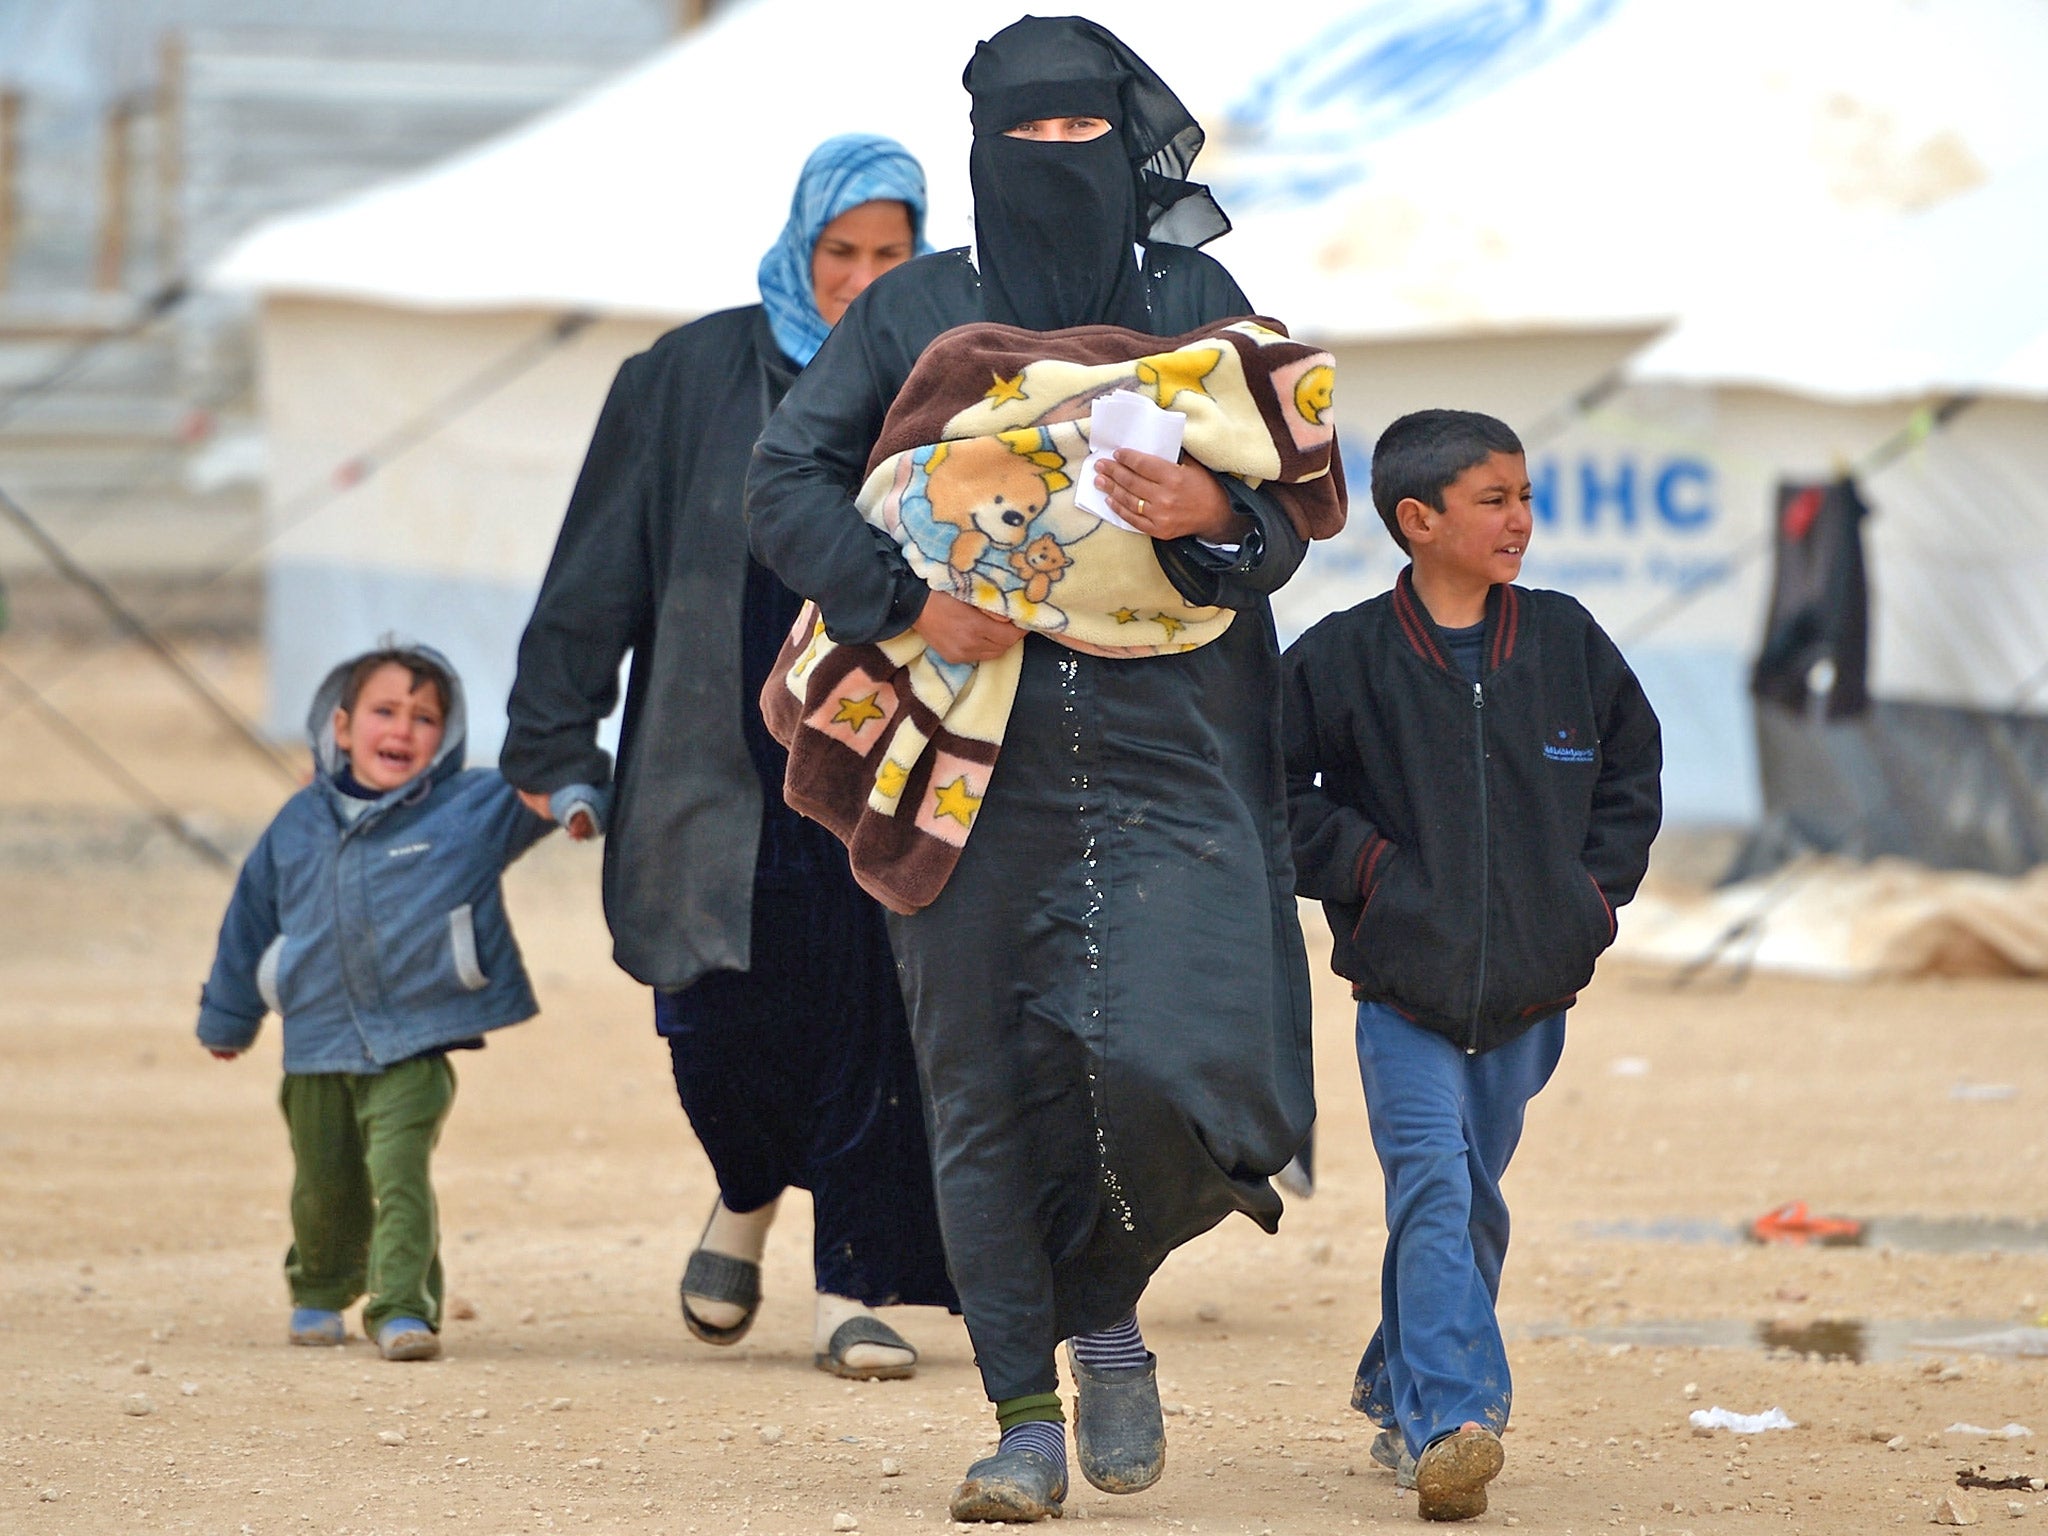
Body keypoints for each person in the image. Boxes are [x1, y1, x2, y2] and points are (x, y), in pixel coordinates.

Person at [747, 19, 1335, 1523]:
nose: (1058, 164)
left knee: (1192, 1062)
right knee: (982, 1085)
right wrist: (900, 597)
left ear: (1127, 141)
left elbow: (1279, 525)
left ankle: (1105, 1299)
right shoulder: (913, 315)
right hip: (970, 763)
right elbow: (784, 481)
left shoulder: (1199, 302)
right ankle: (1020, 1417)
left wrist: (1212, 502)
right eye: (1030, 139)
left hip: (1178, 748)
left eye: (1086, 136)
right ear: (978, 150)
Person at [500, 134, 956, 1380]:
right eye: (840, 253)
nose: (860, 280)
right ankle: (746, 1188)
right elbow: (599, 566)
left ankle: (853, 1286)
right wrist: (555, 733)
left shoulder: (963, 379)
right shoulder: (688, 372)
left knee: (878, 1020)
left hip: (886, 754)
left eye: (889, 256)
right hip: (714, 744)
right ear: (799, 247)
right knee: (715, 1031)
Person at [1281, 410, 1663, 1521]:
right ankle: (1453, 1419)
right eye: (1493, 500)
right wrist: (1367, 867)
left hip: (1531, 994)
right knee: (1435, 1190)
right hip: (1402, 989)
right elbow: (1269, 790)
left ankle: (1389, 1372)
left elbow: (1629, 774)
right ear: (1418, 519)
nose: (1518, 521)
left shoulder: (1565, 640)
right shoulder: (1344, 654)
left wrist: (1586, 901)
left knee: (1469, 1204)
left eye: (1526, 498)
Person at [196, 644, 588, 1361]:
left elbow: (537, 787)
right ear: (342, 727)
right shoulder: (295, 825)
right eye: (385, 711)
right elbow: (248, 920)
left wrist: (576, 799)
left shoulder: (467, 808)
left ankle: (403, 1307)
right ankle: (318, 1288)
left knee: (400, 1176)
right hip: (314, 1042)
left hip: (415, 1040)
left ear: (448, 734)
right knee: (324, 1185)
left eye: (425, 717)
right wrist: (228, 1016)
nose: (403, 730)